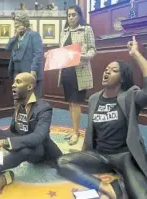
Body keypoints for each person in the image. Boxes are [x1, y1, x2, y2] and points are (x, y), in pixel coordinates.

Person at [57, 36, 147, 199]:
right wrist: (83, 154)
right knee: (62, 162)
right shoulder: (94, 98)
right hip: (100, 155)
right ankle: (108, 187)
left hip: (124, 156)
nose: (107, 71)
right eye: (107, 69)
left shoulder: (130, 96)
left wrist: (136, 54)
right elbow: (90, 131)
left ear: (122, 78)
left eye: (114, 70)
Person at [58, 5, 96, 145]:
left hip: (79, 71)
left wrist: (83, 56)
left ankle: (75, 132)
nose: (71, 17)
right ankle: (75, 129)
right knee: (70, 102)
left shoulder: (86, 29)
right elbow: (62, 52)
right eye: (69, 15)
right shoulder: (64, 31)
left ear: (79, 15)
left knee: (76, 103)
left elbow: (93, 50)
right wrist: (51, 56)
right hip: (66, 72)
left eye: (73, 15)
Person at [6, 12, 43, 98]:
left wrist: (33, 70)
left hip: (29, 74)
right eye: (15, 24)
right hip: (17, 74)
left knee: (32, 100)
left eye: (17, 24)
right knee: (19, 100)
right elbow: (7, 48)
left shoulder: (34, 35)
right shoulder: (16, 38)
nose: (15, 26)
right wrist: (15, 35)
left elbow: (37, 54)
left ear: (24, 24)